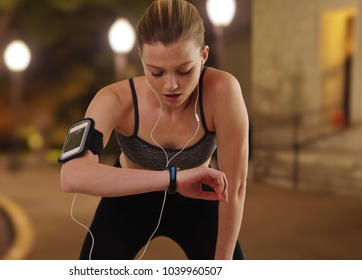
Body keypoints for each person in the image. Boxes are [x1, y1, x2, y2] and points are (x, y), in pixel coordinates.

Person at [60, 0, 248, 260]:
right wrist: (173, 178)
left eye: (184, 70)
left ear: (204, 55)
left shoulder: (223, 91)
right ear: (141, 57)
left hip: (200, 201)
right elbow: (71, 176)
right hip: (128, 202)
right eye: (156, 72)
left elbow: (235, 187)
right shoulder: (114, 99)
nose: (171, 85)